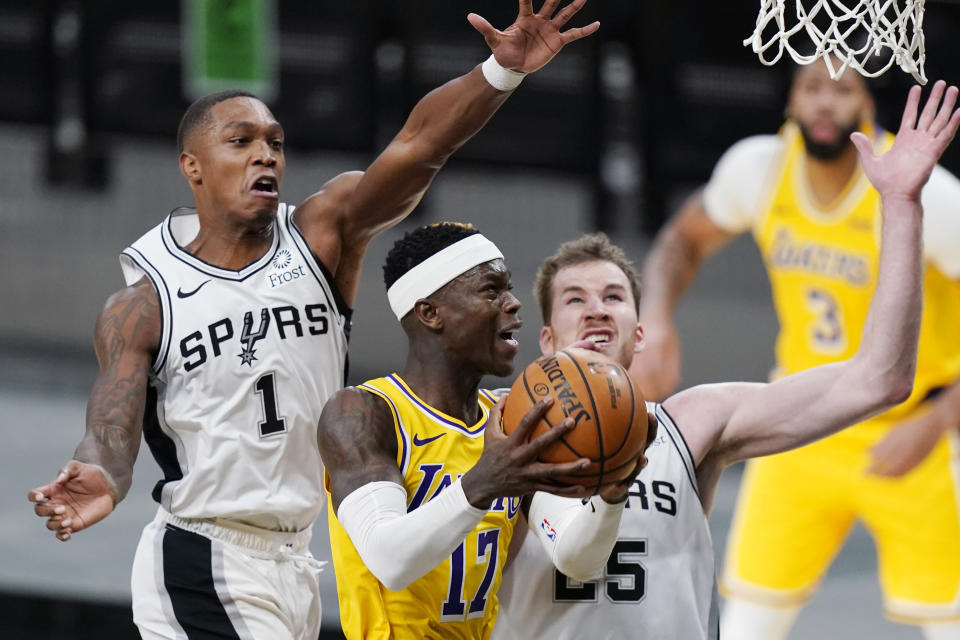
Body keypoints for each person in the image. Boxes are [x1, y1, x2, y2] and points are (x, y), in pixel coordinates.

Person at [27, 2, 600, 638]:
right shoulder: (145, 299)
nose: (265, 156)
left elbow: (417, 148)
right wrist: (101, 473)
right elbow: (112, 423)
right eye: (240, 142)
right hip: (201, 552)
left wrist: (499, 72)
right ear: (191, 165)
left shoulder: (321, 236)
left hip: (296, 562)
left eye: (275, 143)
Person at [493, 80, 960, 640]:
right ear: (544, 339)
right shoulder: (496, 428)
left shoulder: (694, 421)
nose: (596, 311)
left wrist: (903, 205)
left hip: (915, 431)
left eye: (615, 297)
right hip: (803, 450)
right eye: (575, 299)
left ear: (637, 335)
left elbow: (880, 378)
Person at [635, 61, 960, 640]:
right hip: (801, 418)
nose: (825, 104)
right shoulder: (758, 169)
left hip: (917, 432)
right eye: (812, 87)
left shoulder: (928, 192)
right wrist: (656, 318)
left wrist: (938, 420)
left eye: (843, 90)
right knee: (747, 623)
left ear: (869, 105)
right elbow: (683, 239)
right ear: (790, 99)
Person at [317, 221, 651, 639]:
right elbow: (389, 560)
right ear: (430, 313)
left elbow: (576, 558)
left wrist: (610, 495)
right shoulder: (363, 412)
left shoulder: (512, 416)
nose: (514, 305)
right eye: (492, 291)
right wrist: (483, 483)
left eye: (509, 289)